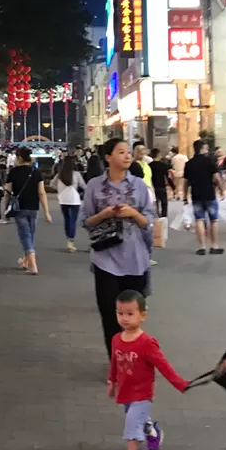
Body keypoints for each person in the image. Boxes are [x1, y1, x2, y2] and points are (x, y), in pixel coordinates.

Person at [79, 138, 154, 355]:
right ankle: (116, 363)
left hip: (136, 259)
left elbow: (149, 221)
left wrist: (134, 214)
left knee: (132, 317)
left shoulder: (139, 185)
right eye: (121, 152)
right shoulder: (94, 185)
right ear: (108, 157)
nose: (127, 156)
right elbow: (85, 221)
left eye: (129, 152)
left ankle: (132, 358)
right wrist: (103, 214)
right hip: (105, 258)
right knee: (110, 316)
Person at [108, 289, 189, 450]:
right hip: (126, 391)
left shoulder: (147, 343)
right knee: (137, 419)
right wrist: (111, 381)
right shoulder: (116, 340)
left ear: (142, 315)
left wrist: (179, 383)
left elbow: (163, 365)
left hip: (142, 393)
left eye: (130, 313)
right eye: (120, 313)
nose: (124, 318)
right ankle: (152, 432)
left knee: (131, 422)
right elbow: (114, 362)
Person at [5, 146, 53, 275]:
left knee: (25, 236)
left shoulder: (13, 172)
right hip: (34, 208)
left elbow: (8, 192)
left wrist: (6, 208)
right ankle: (25, 261)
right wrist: (47, 212)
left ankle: (33, 265)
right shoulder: (36, 172)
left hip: (19, 208)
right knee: (30, 236)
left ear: (20, 157)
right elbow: (42, 193)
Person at [184, 140, 224, 255]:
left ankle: (202, 247)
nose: (207, 150)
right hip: (209, 194)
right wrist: (221, 191)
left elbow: (186, 182)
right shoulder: (210, 161)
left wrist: (185, 197)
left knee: (199, 219)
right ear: (202, 148)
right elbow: (216, 178)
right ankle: (214, 246)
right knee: (214, 220)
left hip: (196, 195)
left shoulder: (189, 163)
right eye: (206, 148)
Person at [54, 154, 85, 252]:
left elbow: (51, 183)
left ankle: (68, 238)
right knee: (73, 220)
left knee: (67, 219)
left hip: (63, 199)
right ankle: (70, 241)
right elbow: (84, 186)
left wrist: (60, 190)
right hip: (74, 199)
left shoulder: (60, 174)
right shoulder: (76, 174)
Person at [149, 153, 170, 219]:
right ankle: (164, 217)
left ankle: (157, 216)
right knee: (164, 203)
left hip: (153, 186)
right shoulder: (163, 165)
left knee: (156, 203)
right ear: (158, 155)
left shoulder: (149, 166)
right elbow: (167, 177)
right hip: (162, 186)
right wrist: (173, 186)